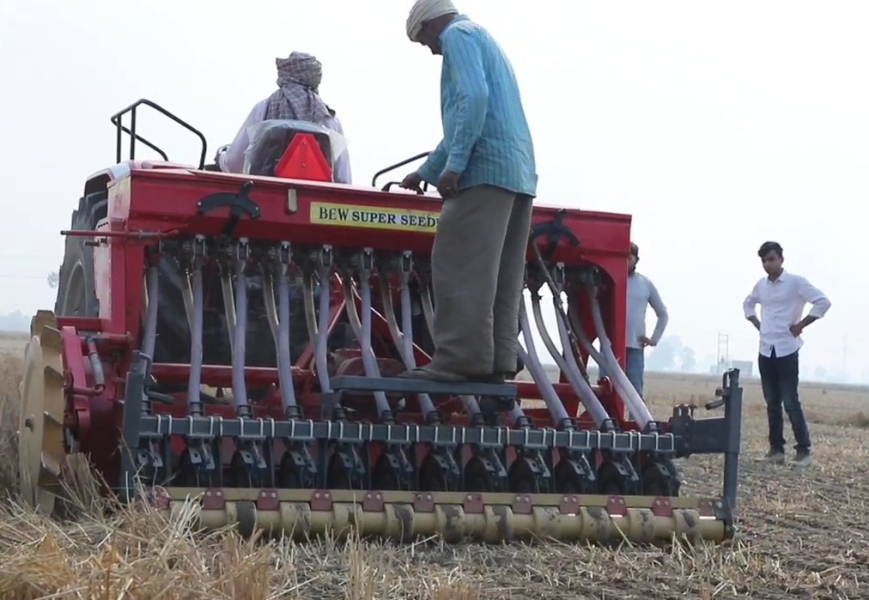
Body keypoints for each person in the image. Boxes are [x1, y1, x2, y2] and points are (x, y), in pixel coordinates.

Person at [397, 0, 537, 384]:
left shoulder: (457, 36)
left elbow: (471, 102)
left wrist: (455, 165)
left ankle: (458, 359)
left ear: (428, 25)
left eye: (424, 41)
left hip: (483, 172)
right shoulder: (482, 37)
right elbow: (472, 115)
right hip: (516, 173)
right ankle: (496, 360)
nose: (430, 49)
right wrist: (425, 171)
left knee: (459, 265)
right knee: (501, 275)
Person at [742, 241, 831, 467]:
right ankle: (776, 450)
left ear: (781, 259)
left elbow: (823, 302)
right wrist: (757, 323)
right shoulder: (761, 286)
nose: (767, 264)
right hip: (766, 349)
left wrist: (801, 325)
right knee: (772, 402)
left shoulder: (796, 283)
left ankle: (803, 450)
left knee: (790, 402)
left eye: (771, 259)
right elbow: (748, 304)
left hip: (786, 349)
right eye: (763, 261)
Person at [217, 51, 352, 184]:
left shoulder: (263, 108)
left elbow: (234, 164)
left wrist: (221, 158)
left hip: (265, 196)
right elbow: (343, 178)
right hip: (318, 199)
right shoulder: (328, 118)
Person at [599, 242, 669, 400]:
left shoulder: (645, 284)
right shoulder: (606, 281)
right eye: (622, 257)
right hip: (609, 347)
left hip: (634, 347)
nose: (625, 262)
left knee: (635, 391)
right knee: (605, 390)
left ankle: (635, 423)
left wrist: (653, 339)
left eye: (628, 258)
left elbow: (663, 314)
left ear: (636, 260)